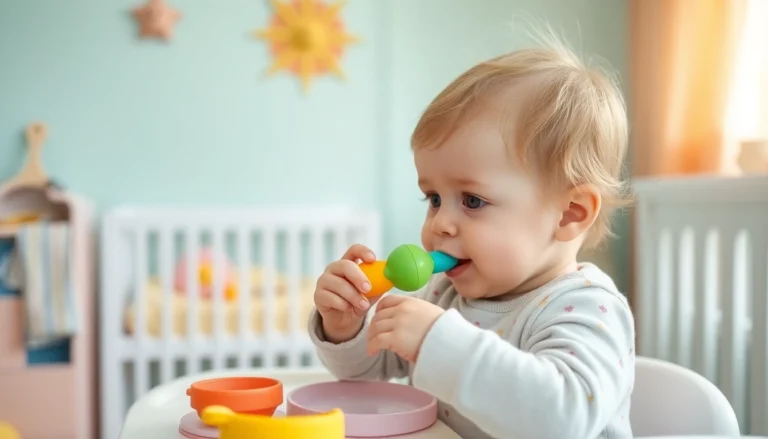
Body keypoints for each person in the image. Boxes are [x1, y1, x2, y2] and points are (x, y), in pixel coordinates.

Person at [308, 29, 635, 439]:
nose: (440, 223)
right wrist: (347, 327)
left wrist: (438, 342)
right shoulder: (445, 295)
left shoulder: (586, 308)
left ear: (569, 213)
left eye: (473, 201)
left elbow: (561, 420)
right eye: (433, 198)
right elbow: (361, 376)